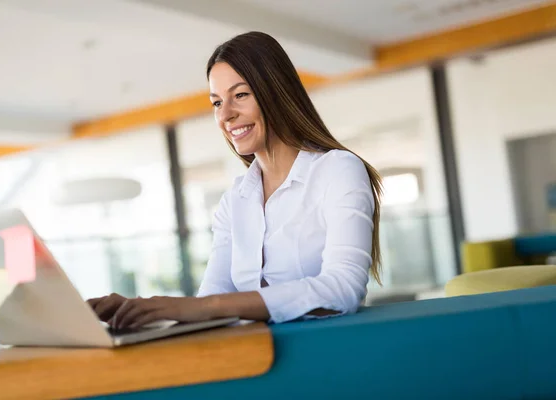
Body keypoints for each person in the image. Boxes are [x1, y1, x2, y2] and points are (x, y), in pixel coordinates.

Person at [87, 31, 383, 329]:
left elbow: (343, 288)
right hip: (252, 360)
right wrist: (144, 312)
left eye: (240, 95)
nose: (225, 115)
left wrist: (209, 307)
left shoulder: (338, 170)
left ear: (276, 93)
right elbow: (211, 298)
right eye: (216, 103)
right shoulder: (235, 200)